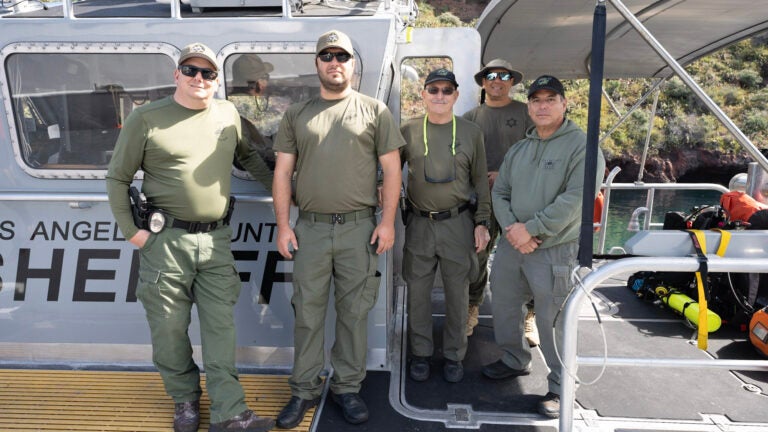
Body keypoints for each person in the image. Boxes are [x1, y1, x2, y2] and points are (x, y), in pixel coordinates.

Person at [106, 42, 275, 432]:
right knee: (168, 329)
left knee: (220, 330)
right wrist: (132, 232)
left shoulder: (228, 113)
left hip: (215, 242)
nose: (199, 78)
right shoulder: (146, 118)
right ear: (176, 74)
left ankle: (229, 412)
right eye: (191, 70)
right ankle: (184, 399)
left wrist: (286, 192)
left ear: (217, 80)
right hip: (165, 242)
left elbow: (248, 157)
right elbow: (117, 177)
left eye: (208, 73)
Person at [272, 30, 404, 428]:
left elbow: (392, 169)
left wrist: (386, 222)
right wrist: (283, 226)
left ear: (352, 64)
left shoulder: (374, 111)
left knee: (354, 314)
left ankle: (348, 387)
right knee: (307, 315)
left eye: (341, 56)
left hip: (359, 230)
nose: (334, 63)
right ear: (317, 64)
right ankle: (304, 390)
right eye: (326, 56)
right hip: (309, 230)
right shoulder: (297, 114)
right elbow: (282, 172)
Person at [482, 75, 605, 418]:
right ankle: (514, 358)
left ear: (565, 104)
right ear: (529, 106)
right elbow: (499, 191)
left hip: (554, 248)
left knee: (554, 320)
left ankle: (561, 386)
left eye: (551, 99)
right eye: (536, 100)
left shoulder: (583, 146)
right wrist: (512, 229)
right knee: (505, 305)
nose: (543, 105)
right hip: (512, 245)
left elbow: (575, 199)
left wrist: (532, 230)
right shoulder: (521, 148)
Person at [400, 68, 491, 383]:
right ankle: (421, 354)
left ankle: (454, 355)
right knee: (418, 293)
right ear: (423, 95)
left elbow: (481, 182)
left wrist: (481, 223)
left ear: (455, 95)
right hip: (419, 224)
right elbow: (383, 168)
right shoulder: (408, 131)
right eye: (433, 90)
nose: (440, 96)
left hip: (458, 223)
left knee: (458, 293)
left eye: (446, 90)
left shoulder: (470, 133)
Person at [462, 59, 536, 342]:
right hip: (481, 199)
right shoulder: (470, 118)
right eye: (491, 75)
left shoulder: (526, 113)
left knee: (526, 254)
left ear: (511, 81)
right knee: (476, 254)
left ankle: (530, 314)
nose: (497, 79)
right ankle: (472, 306)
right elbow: (463, 159)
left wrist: (503, 173)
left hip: (520, 198)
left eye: (504, 75)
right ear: (483, 82)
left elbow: (536, 152)